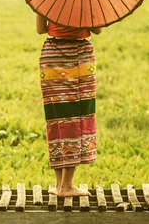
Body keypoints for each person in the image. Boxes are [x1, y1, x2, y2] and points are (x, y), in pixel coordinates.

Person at [36, 14, 102, 197]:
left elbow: (41, 29)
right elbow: (97, 29)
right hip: (78, 56)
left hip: (51, 55)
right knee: (76, 117)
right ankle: (66, 186)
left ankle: (59, 185)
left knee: (56, 116)